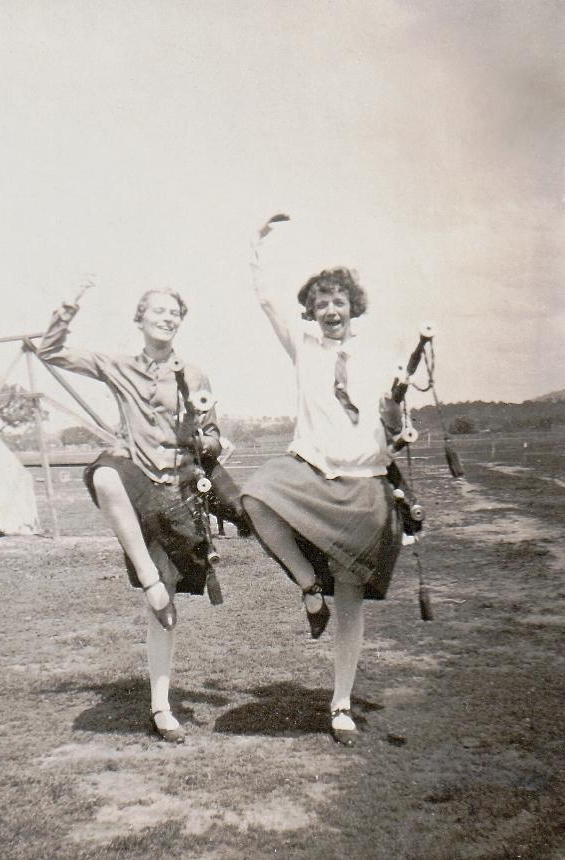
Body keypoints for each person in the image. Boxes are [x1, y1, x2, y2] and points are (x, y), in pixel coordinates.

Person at [38, 287, 244, 743]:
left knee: (168, 597)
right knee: (105, 476)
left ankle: (161, 706)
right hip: (136, 481)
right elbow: (49, 350)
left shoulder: (194, 374)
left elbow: (211, 433)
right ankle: (149, 582)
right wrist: (68, 305)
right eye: (158, 311)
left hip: (177, 490)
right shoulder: (118, 366)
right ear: (140, 318)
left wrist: (208, 442)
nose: (167, 318)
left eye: (175, 312)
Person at [242, 216, 404, 746]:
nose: (331, 311)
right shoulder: (304, 346)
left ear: (353, 307)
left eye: (339, 302)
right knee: (257, 495)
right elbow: (266, 300)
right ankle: (309, 588)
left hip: (365, 485)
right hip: (312, 471)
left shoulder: (380, 357)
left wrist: (404, 427)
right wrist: (258, 244)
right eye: (321, 303)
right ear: (311, 312)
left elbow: (395, 424)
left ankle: (340, 705)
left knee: (352, 601)